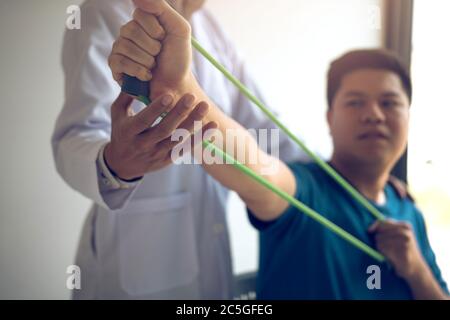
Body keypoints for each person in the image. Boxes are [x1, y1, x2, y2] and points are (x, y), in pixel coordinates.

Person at [111, 0, 449, 299]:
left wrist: (417, 271)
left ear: (409, 118)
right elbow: (254, 165)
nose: (374, 114)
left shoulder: (409, 212)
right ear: (329, 119)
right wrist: (179, 90)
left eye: (389, 102)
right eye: (355, 102)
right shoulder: (308, 189)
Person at [51, 0, 307, 299]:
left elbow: (266, 130)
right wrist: (115, 163)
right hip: (134, 262)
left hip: (214, 254)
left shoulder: (212, 29)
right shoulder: (102, 12)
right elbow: (76, 136)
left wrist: (335, 178)